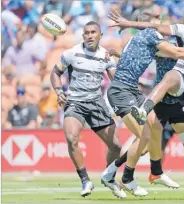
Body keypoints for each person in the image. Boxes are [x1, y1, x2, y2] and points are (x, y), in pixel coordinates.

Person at [108, 4, 184, 198]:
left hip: (181, 98)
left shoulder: (181, 38)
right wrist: (127, 29)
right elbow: (167, 48)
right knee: (146, 140)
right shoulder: (162, 40)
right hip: (161, 97)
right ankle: (129, 172)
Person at [50, 21, 125, 198]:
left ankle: (109, 175)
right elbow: (55, 73)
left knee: (115, 146)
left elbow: (116, 82)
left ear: (100, 36)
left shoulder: (106, 56)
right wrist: (59, 91)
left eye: (93, 32)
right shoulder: (71, 53)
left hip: (97, 103)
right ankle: (85, 180)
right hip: (75, 102)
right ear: (82, 35)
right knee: (71, 138)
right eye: (86, 32)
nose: (89, 35)